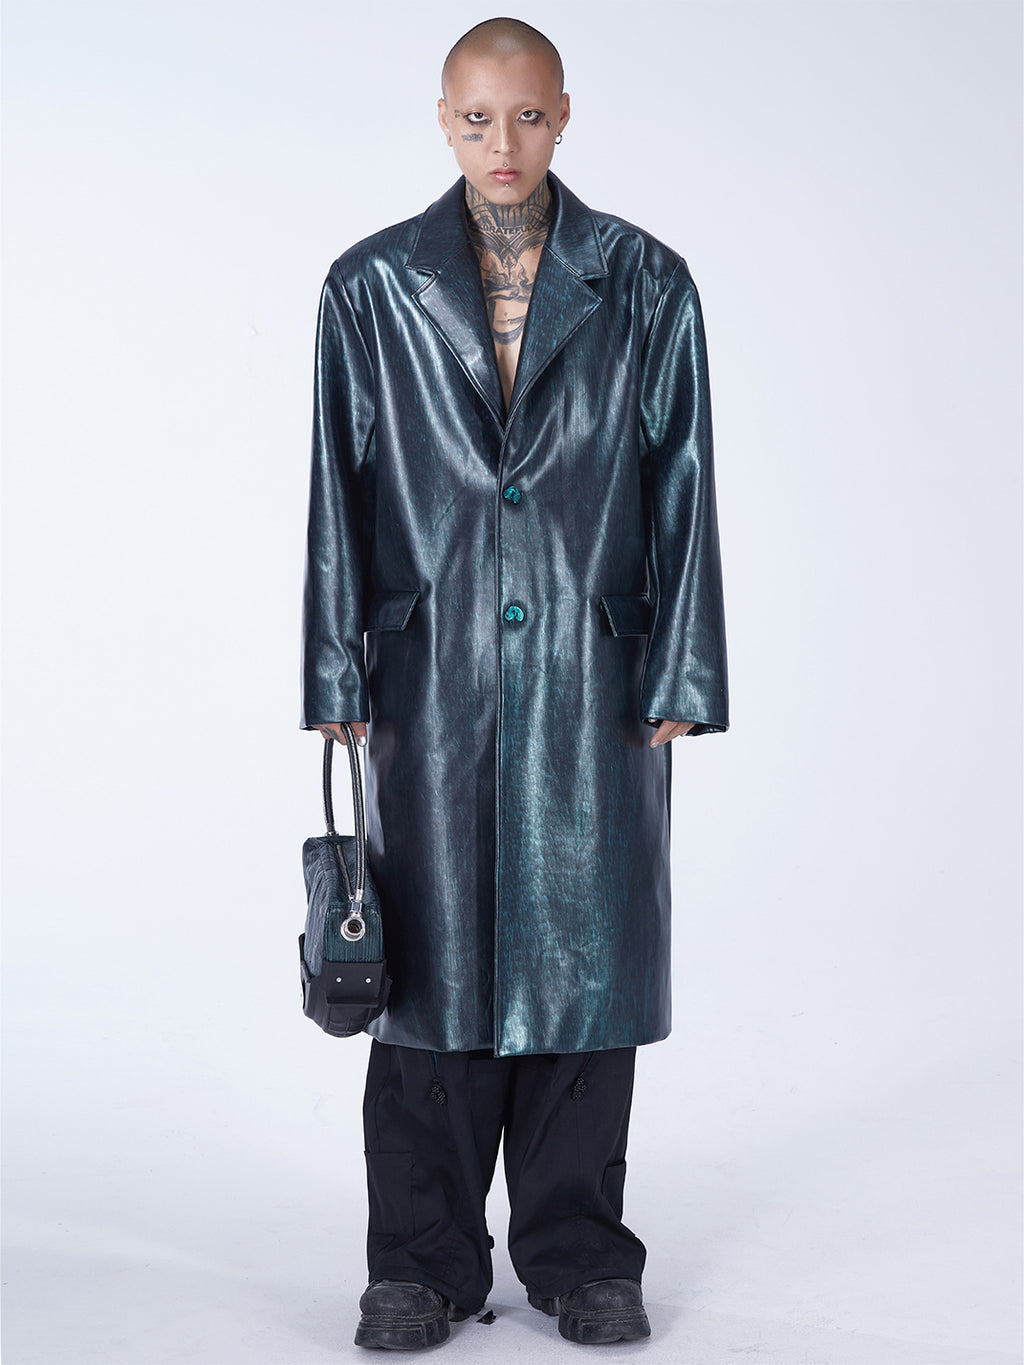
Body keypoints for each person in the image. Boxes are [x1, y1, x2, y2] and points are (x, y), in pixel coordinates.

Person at [299, 16, 729, 1351]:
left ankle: (579, 1252)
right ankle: (420, 1261)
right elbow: (337, 486)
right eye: (478, 118)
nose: (503, 142)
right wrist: (333, 663)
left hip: (594, 674)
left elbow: (684, 478)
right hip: (428, 673)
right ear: (443, 120)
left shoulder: (645, 281)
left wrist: (684, 662)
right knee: (423, 971)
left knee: (583, 963)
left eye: (528, 115)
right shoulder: (370, 287)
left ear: (564, 115)